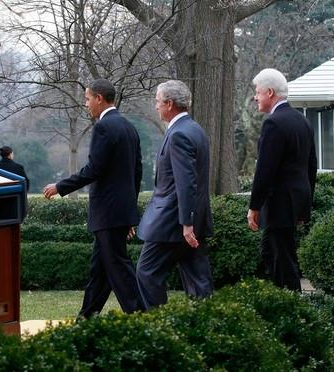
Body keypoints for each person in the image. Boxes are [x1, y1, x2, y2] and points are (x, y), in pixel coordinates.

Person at [43, 79, 144, 318]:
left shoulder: (103, 127)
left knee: (117, 266)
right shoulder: (129, 127)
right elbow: (136, 172)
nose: (86, 104)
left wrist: (60, 186)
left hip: (107, 212)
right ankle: (86, 317)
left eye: (88, 99)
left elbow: (94, 170)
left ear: (99, 98)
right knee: (100, 269)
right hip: (118, 211)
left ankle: (142, 315)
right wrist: (128, 212)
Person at [136, 80, 214, 309]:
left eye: (158, 101)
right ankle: (206, 323)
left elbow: (186, 183)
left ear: (169, 104)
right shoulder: (195, 129)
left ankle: (160, 323)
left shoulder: (179, 134)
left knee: (147, 272)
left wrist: (186, 223)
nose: (156, 106)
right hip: (189, 220)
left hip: (173, 223)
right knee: (198, 280)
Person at [247, 68, 317, 291]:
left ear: (270, 92)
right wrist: (304, 206)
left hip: (279, 203)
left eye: (258, 92)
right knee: (273, 254)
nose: (255, 97)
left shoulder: (274, 123)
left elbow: (265, 171)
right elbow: (311, 167)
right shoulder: (302, 121)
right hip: (294, 202)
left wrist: (254, 207)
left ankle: (292, 304)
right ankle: (280, 300)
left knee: (281, 259)